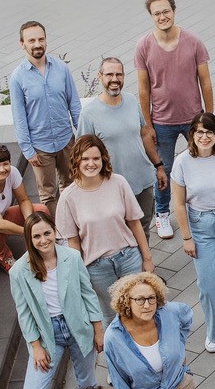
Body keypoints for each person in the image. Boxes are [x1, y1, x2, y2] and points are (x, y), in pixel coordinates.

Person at [9, 212, 104, 389]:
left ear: (54, 231)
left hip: (78, 327)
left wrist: (98, 328)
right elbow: (24, 312)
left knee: (87, 385)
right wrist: (35, 345)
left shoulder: (71, 257)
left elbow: (87, 293)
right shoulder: (19, 271)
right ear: (29, 239)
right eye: (36, 236)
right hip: (48, 334)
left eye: (47, 233)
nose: (43, 240)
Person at [136, 0, 213, 240]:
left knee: (200, 163)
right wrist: (148, 125)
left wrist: (210, 118)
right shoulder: (144, 46)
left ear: (174, 11)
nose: (162, 17)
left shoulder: (193, 41)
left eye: (166, 11)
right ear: (151, 16)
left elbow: (205, 82)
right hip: (162, 122)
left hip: (193, 119)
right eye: (157, 13)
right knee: (164, 169)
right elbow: (143, 89)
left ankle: (200, 206)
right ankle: (161, 213)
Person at [55, 135, 155, 323]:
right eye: (85, 159)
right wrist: (80, 276)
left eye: (96, 158)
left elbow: (134, 223)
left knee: (141, 312)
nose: (91, 163)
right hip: (97, 268)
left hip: (129, 258)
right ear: (76, 161)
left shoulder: (118, 183)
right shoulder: (68, 197)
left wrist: (147, 258)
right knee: (111, 319)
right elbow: (73, 242)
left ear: (103, 159)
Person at [171, 111, 215, 351]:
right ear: (192, 134)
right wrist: (187, 237)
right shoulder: (182, 162)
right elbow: (179, 204)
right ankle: (213, 333)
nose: (204, 137)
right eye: (200, 132)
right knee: (208, 284)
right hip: (201, 225)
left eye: (209, 132)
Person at [77, 57, 160, 237]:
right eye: (109, 74)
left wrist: (158, 165)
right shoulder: (88, 114)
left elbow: (144, 134)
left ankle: (144, 256)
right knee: (119, 235)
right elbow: (81, 156)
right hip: (111, 189)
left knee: (144, 229)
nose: (114, 79)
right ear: (99, 76)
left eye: (119, 74)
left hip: (143, 183)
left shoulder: (131, 100)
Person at [9, 21, 81, 214]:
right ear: (22, 44)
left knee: (72, 185)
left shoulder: (61, 68)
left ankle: (74, 220)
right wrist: (28, 150)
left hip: (66, 140)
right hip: (40, 147)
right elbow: (19, 117)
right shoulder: (17, 77)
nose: (37, 44)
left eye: (41, 39)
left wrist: (82, 136)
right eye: (31, 40)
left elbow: (74, 104)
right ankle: (58, 227)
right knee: (48, 195)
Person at [0, 144, 49, 272]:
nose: (2, 169)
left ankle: (44, 244)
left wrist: (30, 222)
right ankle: (5, 258)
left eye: (5, 164)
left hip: (2, 216)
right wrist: (29, 232)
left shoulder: (12, 172)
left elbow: (24, 200)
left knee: (41, 210)